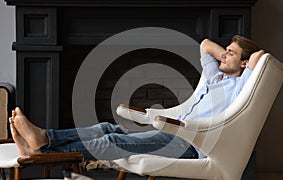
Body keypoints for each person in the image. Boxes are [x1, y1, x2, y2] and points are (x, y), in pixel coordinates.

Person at [9, 35, 264, 161]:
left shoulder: (242, 84)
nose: (223, 56)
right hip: (174, 133)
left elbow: (259, 57)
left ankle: (40, 154)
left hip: (191, 143)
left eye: (230, 54)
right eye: (225, 52)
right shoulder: (215, 77)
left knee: (112, 140)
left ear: (243, 63)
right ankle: (44, 139)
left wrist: (240, 62)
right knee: (106, 127)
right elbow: (205, 44)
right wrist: (228, 56)